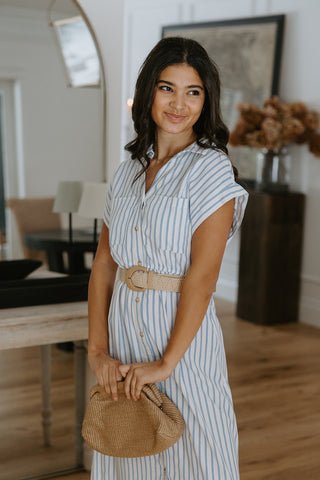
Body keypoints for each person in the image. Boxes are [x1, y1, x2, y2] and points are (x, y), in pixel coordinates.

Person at [88, 36, 248, 479]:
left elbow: (203, 275)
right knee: (128, 453)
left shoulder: (210, 167)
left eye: (192, 92)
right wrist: (98, 350)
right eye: (167, 88)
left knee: (203, 456)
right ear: (148, 94)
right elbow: (104, 263)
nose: (179, 104)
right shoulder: (126, 172)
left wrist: (167, 362)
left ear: (206, 99)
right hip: (123, 338)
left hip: (182, 345)